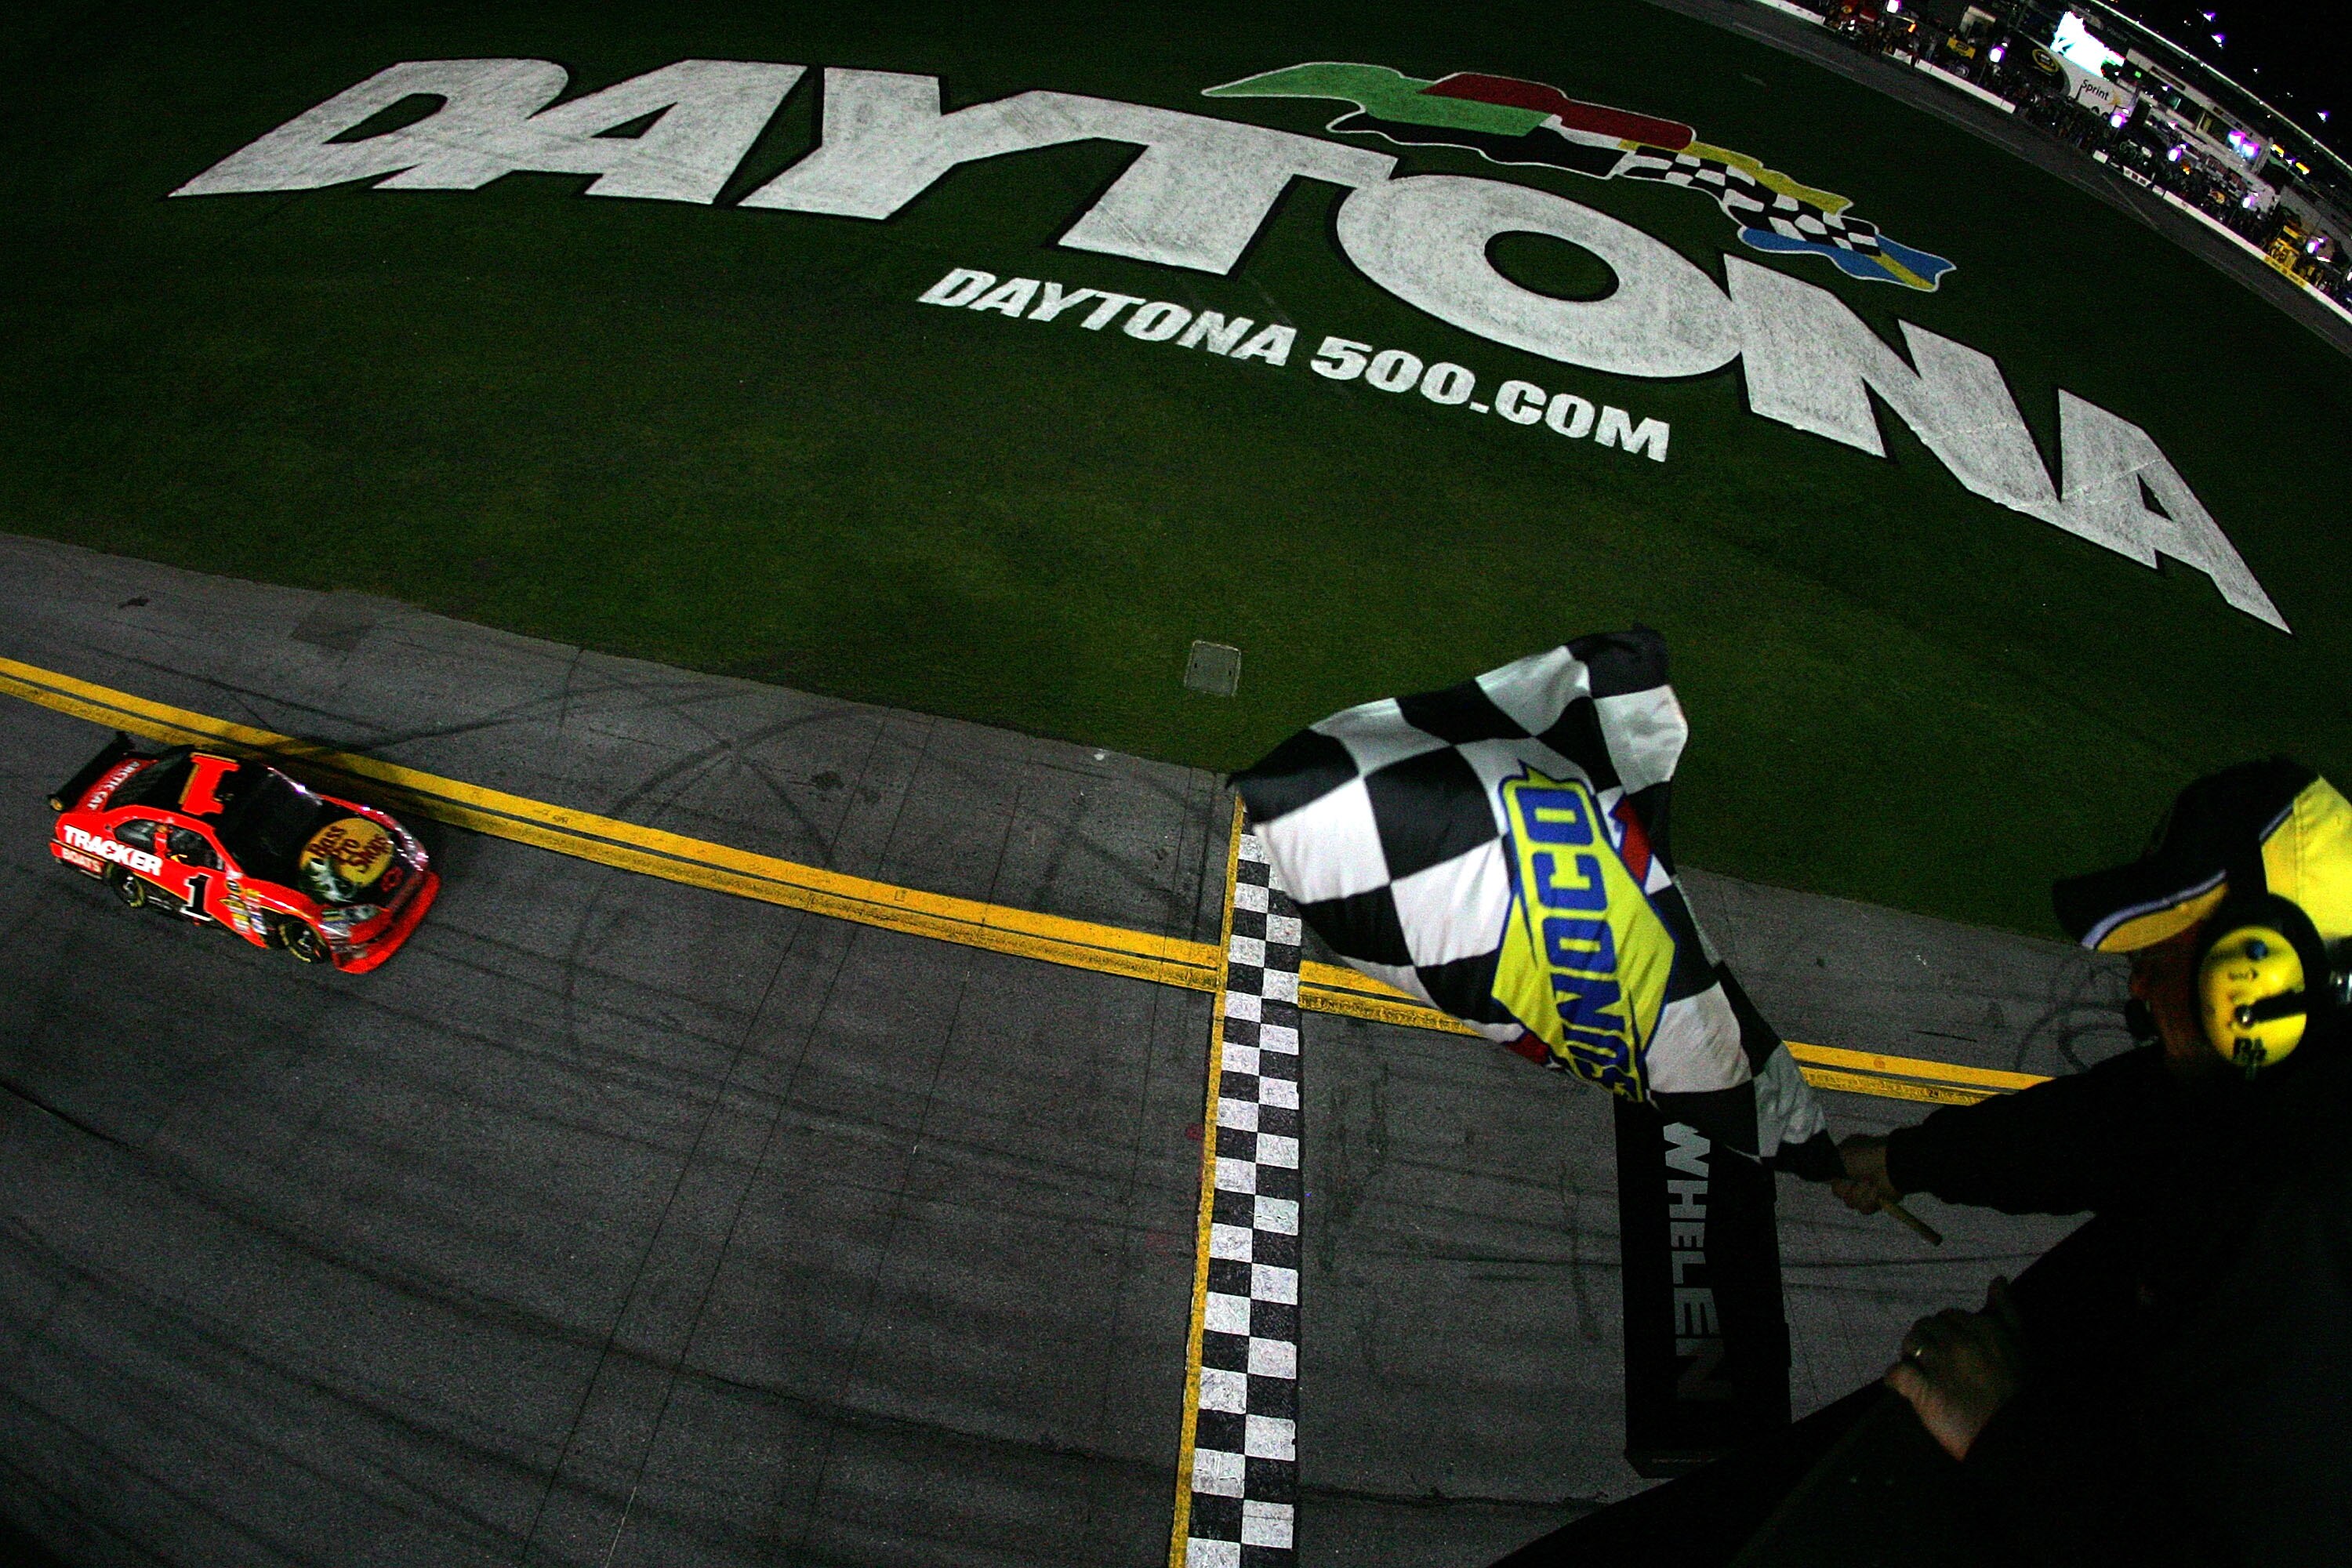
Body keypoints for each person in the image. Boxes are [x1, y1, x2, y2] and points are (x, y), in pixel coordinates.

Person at [1831, 757, 2352, 1566]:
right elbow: (2108, 1124)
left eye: (2166, 952)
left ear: (2262, 977)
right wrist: (1907, 1158)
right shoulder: (2266, 1091)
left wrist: (2001, 1430)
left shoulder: (2307, 1234)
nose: (2138, 985)